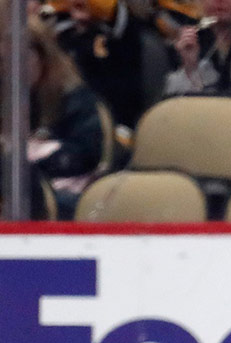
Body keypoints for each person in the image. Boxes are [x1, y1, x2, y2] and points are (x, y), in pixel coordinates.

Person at [27, 17, 110, 219]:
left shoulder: (74, 98)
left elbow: (87, 155)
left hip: (65, 194)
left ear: (43, 57)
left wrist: (39, 154)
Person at [54, 0, 146, 130]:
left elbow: (124, 85)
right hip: (65, 118)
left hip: (114, 116)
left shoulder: (122, 28)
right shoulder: (60, 25)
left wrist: (87, 28)